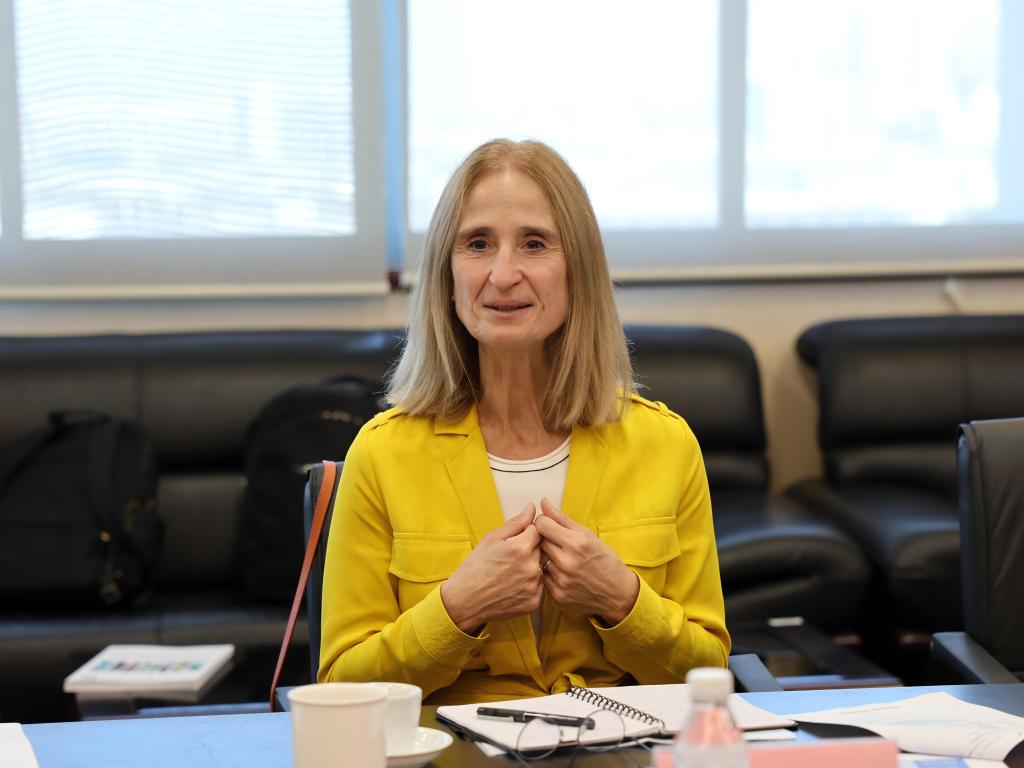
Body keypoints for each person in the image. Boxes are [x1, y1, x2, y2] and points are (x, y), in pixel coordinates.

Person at [318, 139, 730, 704]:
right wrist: (457, 609)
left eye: (534, 244)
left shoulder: (666, 443)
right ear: (447, 273)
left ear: (578, 270)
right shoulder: (382, 452)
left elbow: (709, 672)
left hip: (619, 745)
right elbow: (342, 688)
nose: (503, 274)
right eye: (477, 244)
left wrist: (623, 601)